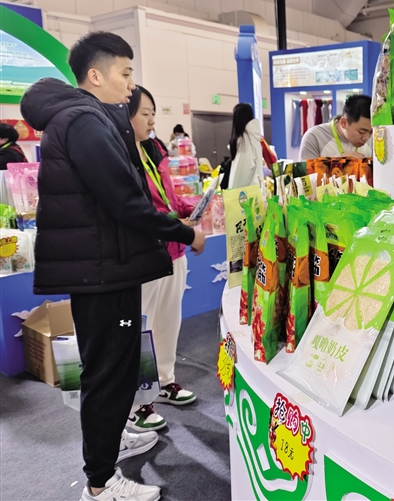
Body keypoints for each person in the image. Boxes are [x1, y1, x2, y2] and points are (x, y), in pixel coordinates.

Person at [20, 31, 206, 501]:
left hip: (106, 266)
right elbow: (124, 200)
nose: (130, 84)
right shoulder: (84, 121)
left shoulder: (84, 118)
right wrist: (185, 233)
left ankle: (112, 440)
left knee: (114, 367)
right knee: (107, 372)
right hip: (102, 270)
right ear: (96, 75)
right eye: (124, 73)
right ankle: (101, 484)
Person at [125, 85, 197, 435]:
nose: (152, 120)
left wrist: (189, 208)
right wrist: (177, 224)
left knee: (169, 321)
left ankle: (166, 381)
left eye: (153, 113)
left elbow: (166, 197)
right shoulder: (120, 154)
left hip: (174, 251)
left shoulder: (154, 150)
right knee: (143, 328)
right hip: (146, 256)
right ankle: (138, 402)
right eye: (145, 113)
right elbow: (139, 210)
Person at [299, 94, 373, 160]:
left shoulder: (373, 140)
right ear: (344, 123)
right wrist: (337, 161)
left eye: (371, 132)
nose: (366, 138)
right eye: (361, 131)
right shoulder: (314, 137)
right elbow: (306, 171)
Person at [226, 103, 264, 189]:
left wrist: (232, 192)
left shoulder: (245, 140)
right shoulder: (253, 137)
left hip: (245, 194)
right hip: (255, 190)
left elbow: (241, 173)